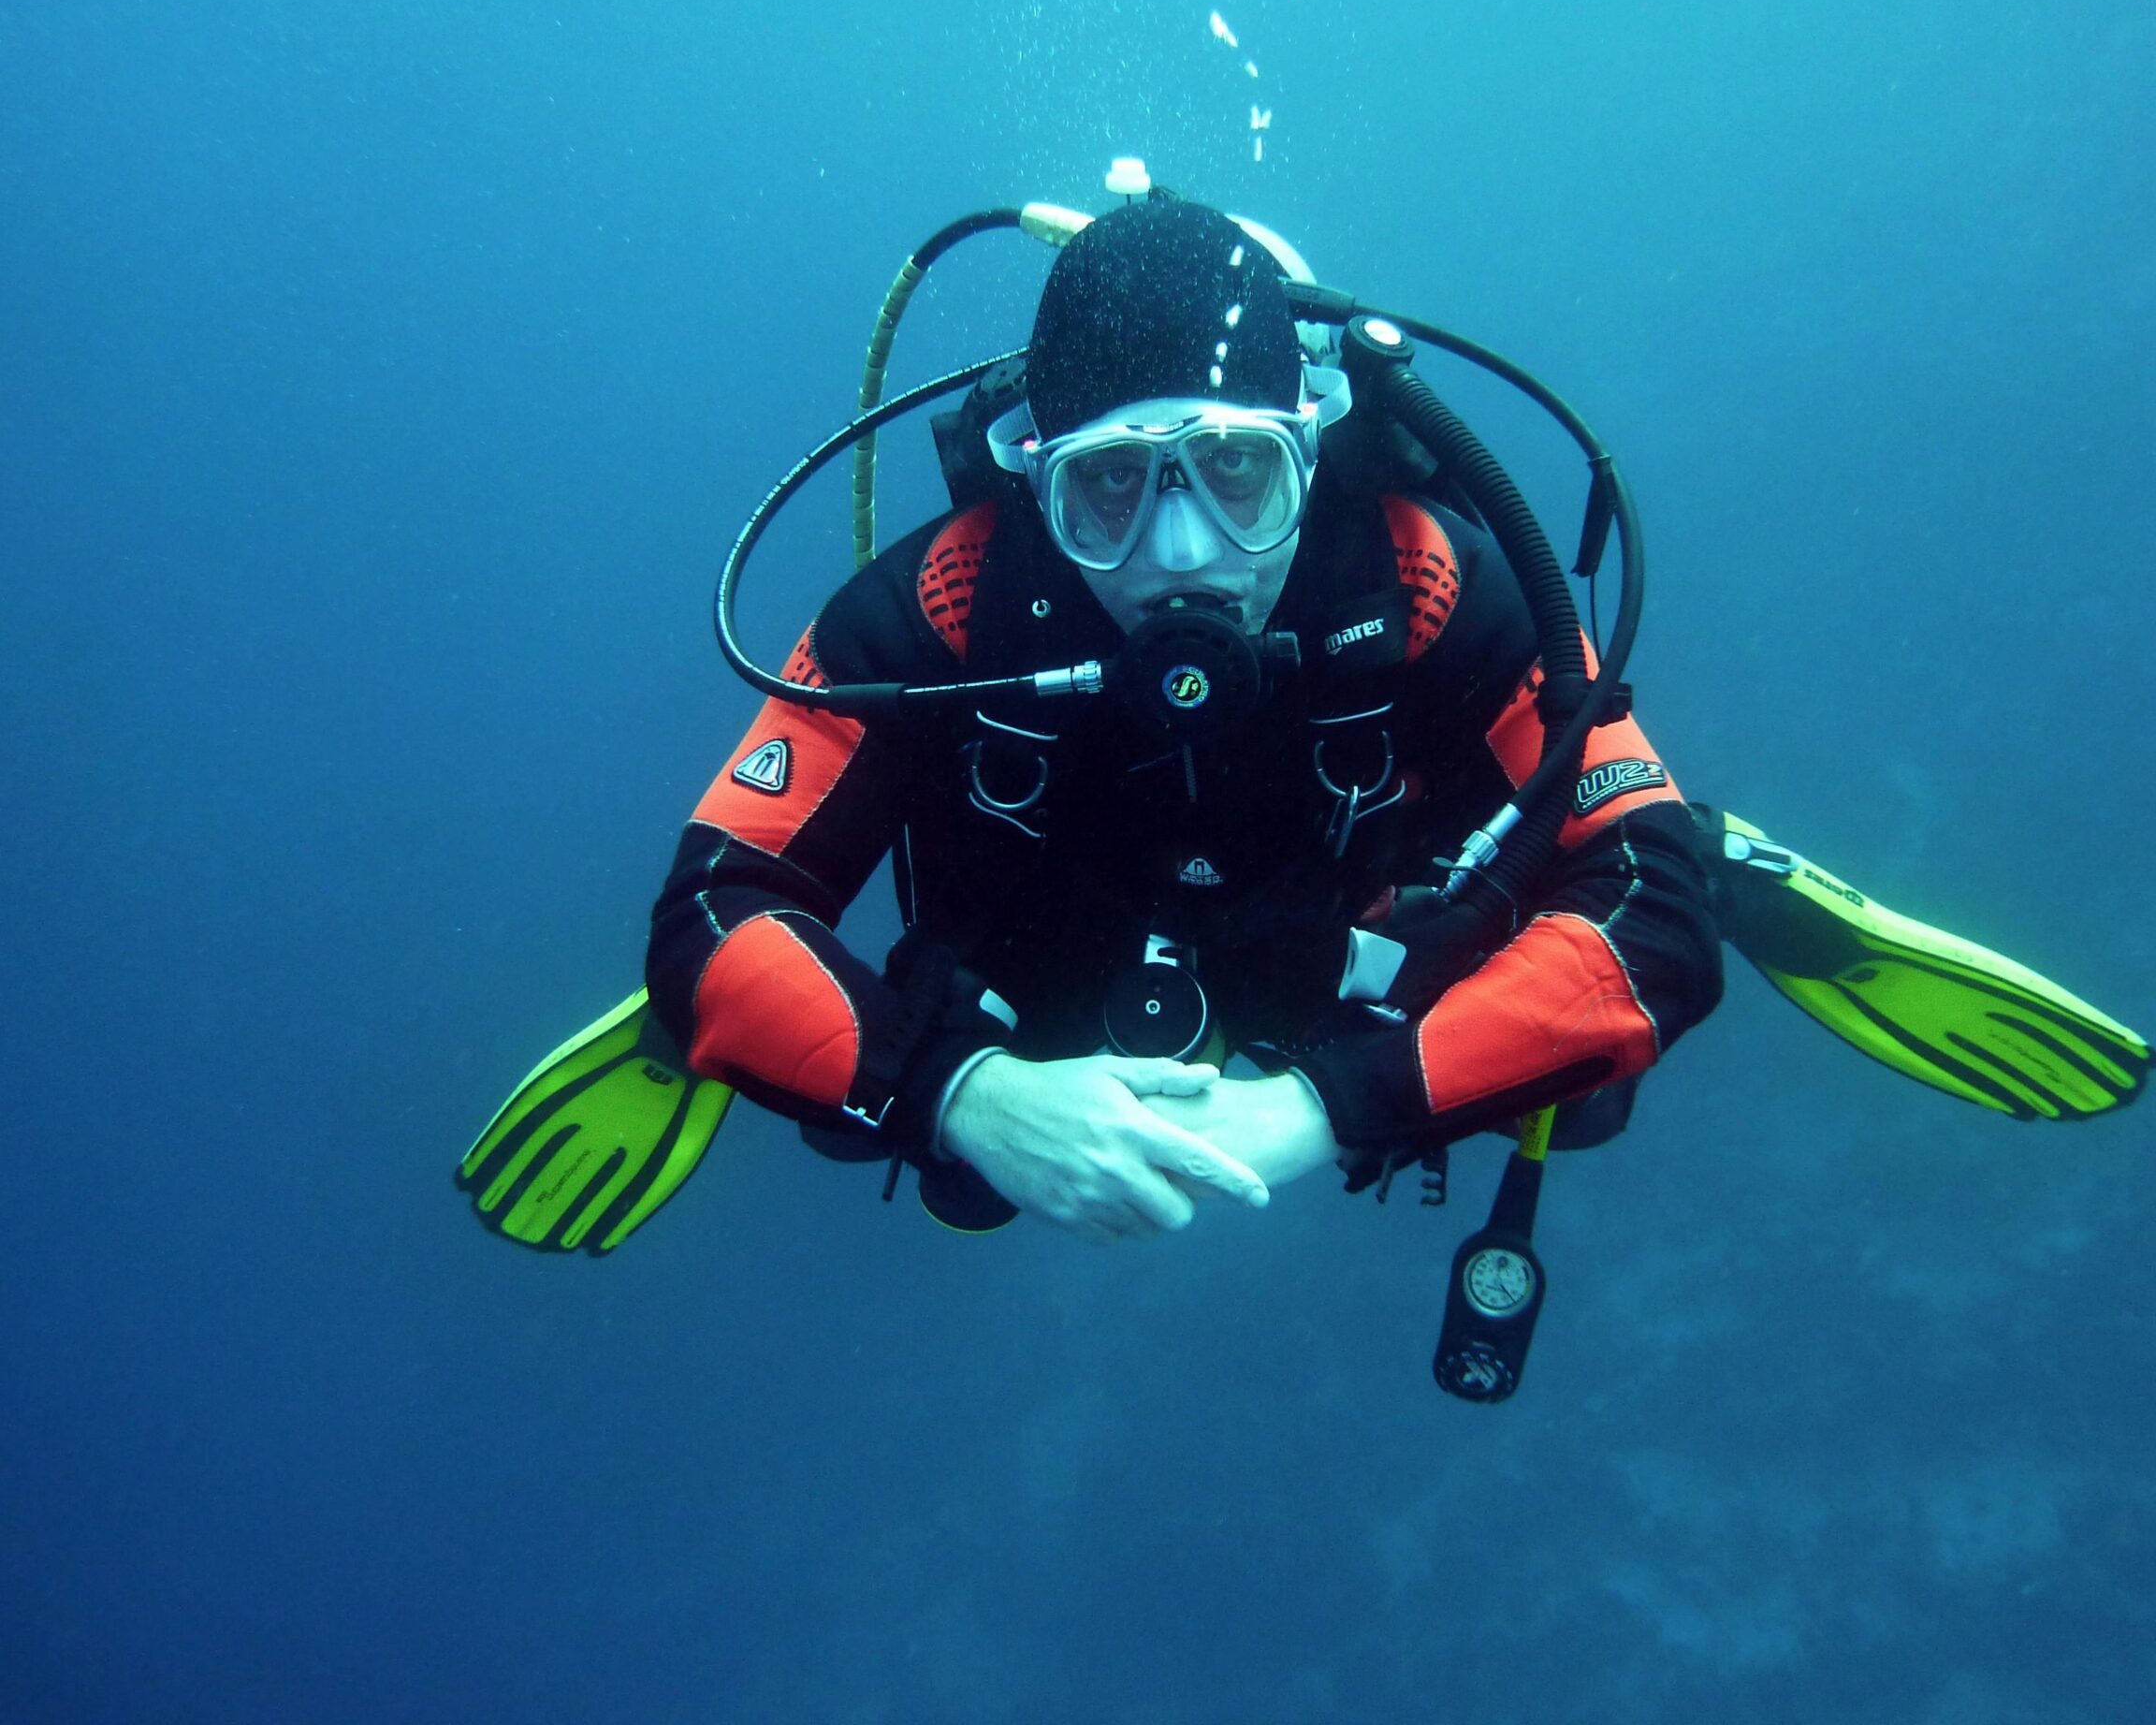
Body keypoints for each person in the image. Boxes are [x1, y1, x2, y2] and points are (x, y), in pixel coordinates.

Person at [639, 197, 1726, 1244]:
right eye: (1108, 485)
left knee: (1580, 1101)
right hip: (1048, 971)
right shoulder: (943, 606)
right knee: (880, 1129)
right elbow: (710, 904)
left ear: (1307, 448)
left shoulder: (1425, 577)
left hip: (1354, 953)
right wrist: (960, 1095)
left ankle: (1735, 854)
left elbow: (1657, 905)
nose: (1182, 554)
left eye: (1237, 468)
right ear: (1035, 479)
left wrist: (1322, 1107)